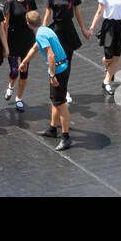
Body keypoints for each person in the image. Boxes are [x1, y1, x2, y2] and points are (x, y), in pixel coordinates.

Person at [18, 10, 72, 151]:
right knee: (55, 100)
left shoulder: (41, 34)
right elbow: (35, 48)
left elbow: (51, 55)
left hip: (58, 70)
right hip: (63, 67)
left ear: (28, 24)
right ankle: (53, 129)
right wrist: (24, 62)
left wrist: (52, 75)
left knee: (60, 104)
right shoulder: (45, 30)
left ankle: (66, 137)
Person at [43, 0, 85, 104]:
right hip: (57, 32)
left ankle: (64, 88)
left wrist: (83, 29)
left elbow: (77, 13)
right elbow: (47, 15)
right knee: (57, 61)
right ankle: (56, 88)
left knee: (68, 62)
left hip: (69, 32)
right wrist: (42, 32)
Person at [3, 0, 38, 111]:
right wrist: (5, 44)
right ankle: (11, 86)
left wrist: (37, 35)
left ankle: (19, 98)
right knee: (14, 71)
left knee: (24, 70)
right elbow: (5, 24)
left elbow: (33, 18)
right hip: (13, 39)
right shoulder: (10, 2)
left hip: (27, 39)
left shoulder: (30, 0)